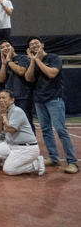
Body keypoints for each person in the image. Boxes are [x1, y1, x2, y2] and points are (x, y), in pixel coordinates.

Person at [25, 37, 78, 174]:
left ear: (42, 45)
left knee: (60, 130)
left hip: (54, 99)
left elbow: (52, 73)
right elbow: (28, 78)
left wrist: (37, 60)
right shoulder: (32, 62)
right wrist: (32, 60)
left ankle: (72, 162)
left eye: (37, 43)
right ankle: (54, 157)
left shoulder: (54, 58)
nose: (35, 46)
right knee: (46, 130)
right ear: (29, 49)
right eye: (32, 45)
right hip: (39, 99)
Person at [0, 90, 45, 176]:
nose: (1, 100)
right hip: (11, 145)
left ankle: (35, 164)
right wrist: (1, 114)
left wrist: (3, 115)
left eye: (4, 98)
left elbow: (11, 129)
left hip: (26, 148)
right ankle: (11, 160)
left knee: (8, 170)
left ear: (12, 100)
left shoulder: (16, 111)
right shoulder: (5, 111)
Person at [0, 40, 34, 131]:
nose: (5, 48)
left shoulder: (23, 58)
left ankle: (31, 142)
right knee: (11, 122)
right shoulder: (4, 63)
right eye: (2, 47)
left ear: (12, 48)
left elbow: (21, 71)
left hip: (23, 95)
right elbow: (1, 79)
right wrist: (3, 64)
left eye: (7, 46)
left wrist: (9, 61)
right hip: (9, 99)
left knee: (26, 121)